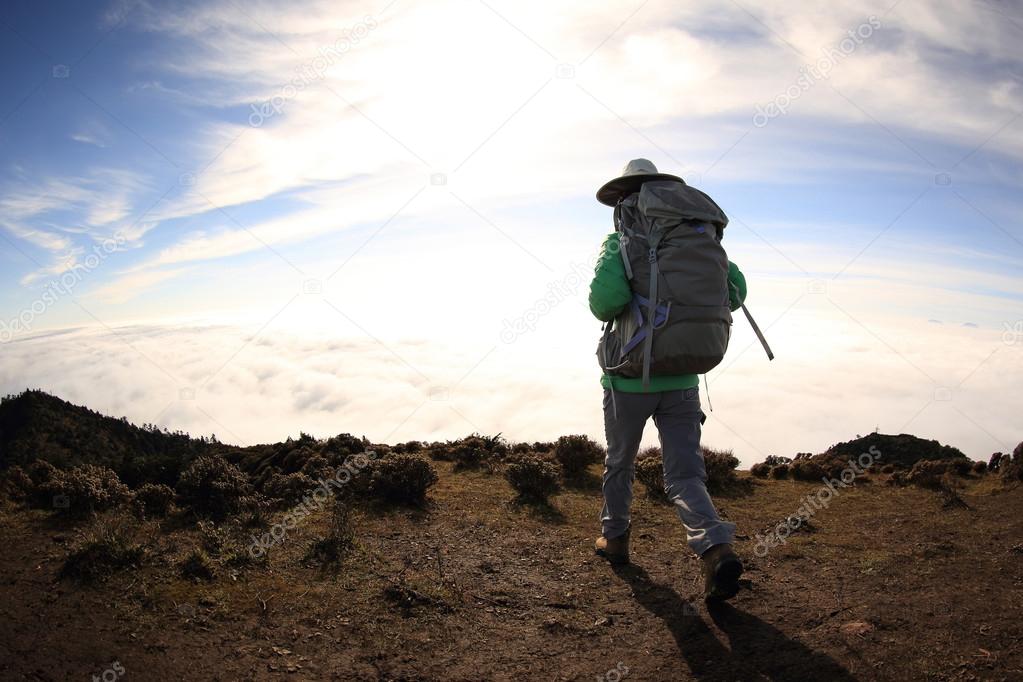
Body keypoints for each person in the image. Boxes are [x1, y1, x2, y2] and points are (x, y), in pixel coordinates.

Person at [588, 158, 747, 601]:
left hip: (629, 380)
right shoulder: (699, 236)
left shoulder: (619, 241)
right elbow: (735, 292)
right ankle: (715, 548)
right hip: (683, 376)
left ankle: (615, 540)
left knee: (620, 462)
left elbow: (606, 303)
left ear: (623, 198)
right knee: (684, 473)